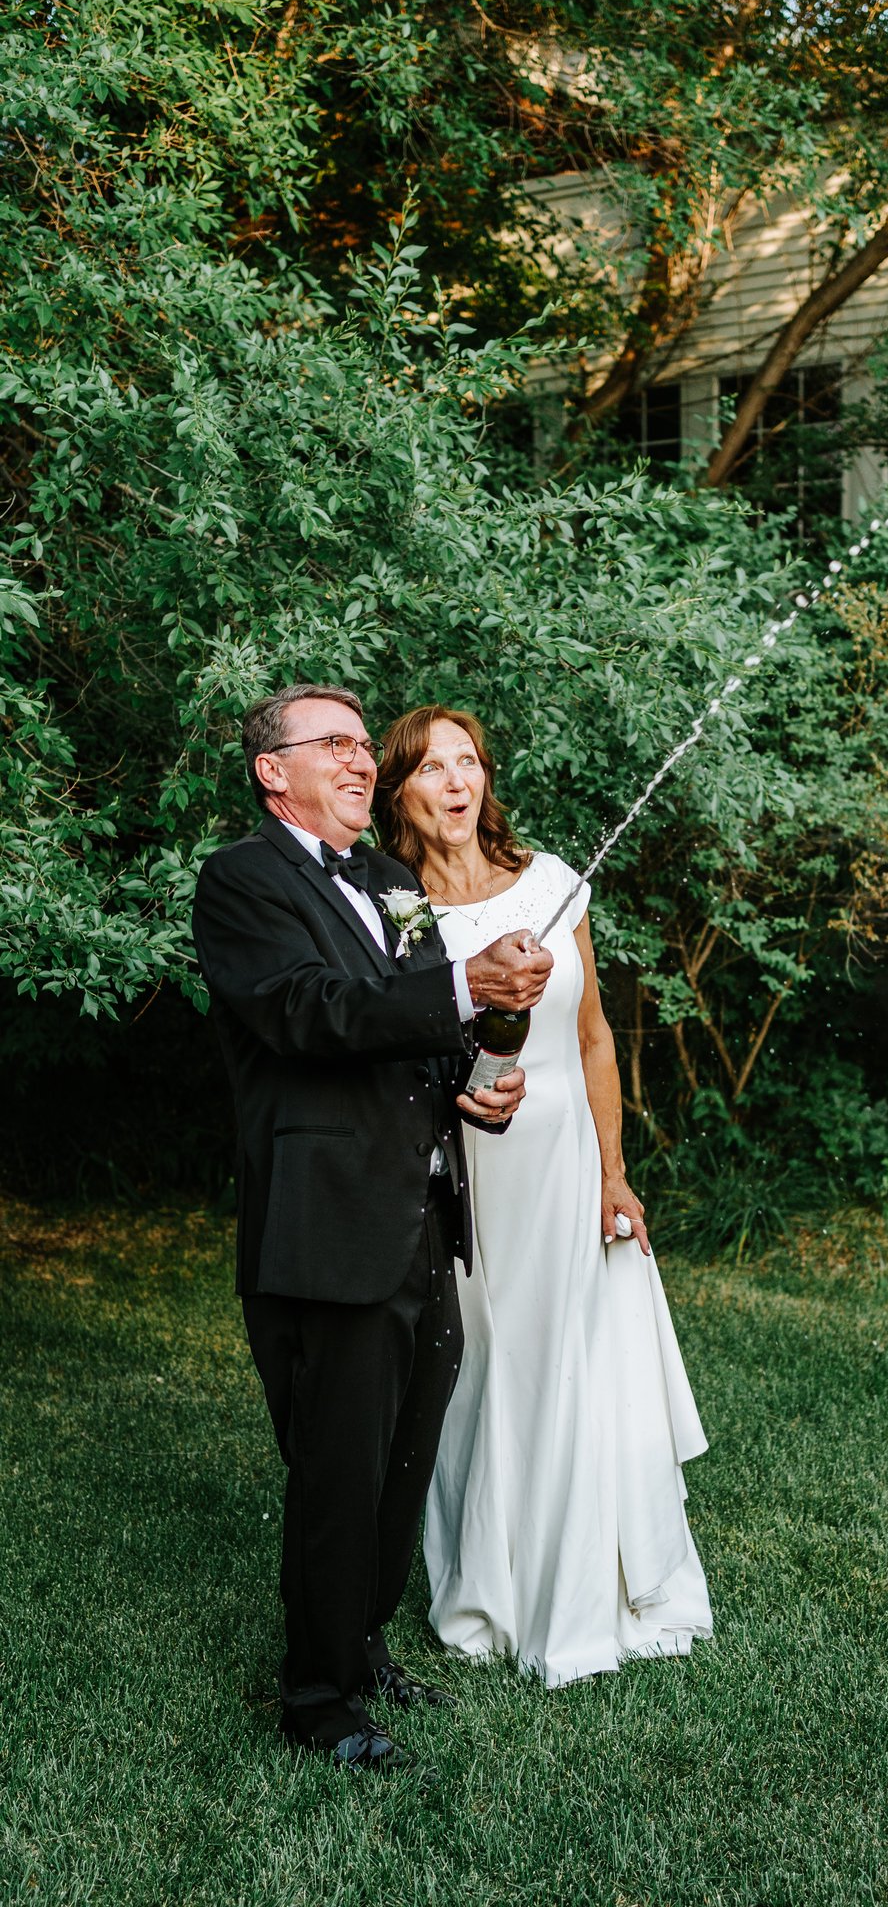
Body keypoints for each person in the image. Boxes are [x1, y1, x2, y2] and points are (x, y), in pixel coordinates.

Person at [191, 683, 553, 1770]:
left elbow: (419, 1019)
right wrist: (459, 989)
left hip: (421, 1212)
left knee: (404, 1450)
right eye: (335, 744)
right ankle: (317, 1699)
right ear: (273, 771)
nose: (360, 760)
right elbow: (308, 1012)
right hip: (324, 1223)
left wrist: (474, 1078)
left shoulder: (393, 881)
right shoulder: (241, 880)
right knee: (338, 1463)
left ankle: (362, 1644)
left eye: (362, 743)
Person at [374, 705, 712, 1688]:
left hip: (564, 1158)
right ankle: (489, 1585)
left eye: (467, 761)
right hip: (467, 1171)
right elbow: (391, 1043)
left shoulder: (553, 880)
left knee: (570, 1358)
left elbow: (594, 1034)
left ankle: (581, 1589)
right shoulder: (394, 909)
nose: (455, 782)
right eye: (430, 767)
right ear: (398, 790)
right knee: (482, 1367)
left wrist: (613, 1170)